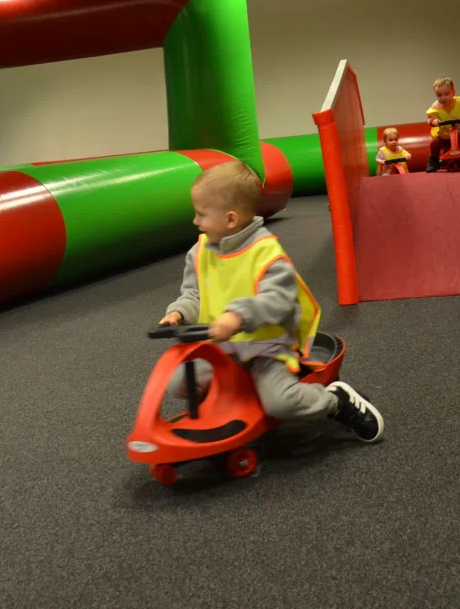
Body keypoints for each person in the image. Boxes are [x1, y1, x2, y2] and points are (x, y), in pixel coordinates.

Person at [158, 161, 384, 442]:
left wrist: (237, 316)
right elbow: (193, 293)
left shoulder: (266, 252)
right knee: (178, 383)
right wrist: (179, 312)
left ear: (230, 219)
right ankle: (229, 401)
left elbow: (280, 301)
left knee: (281, 403)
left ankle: (335, 402)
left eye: (201, 214)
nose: (195, 221)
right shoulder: (199, 251)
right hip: (220, 348)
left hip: (264, 347)